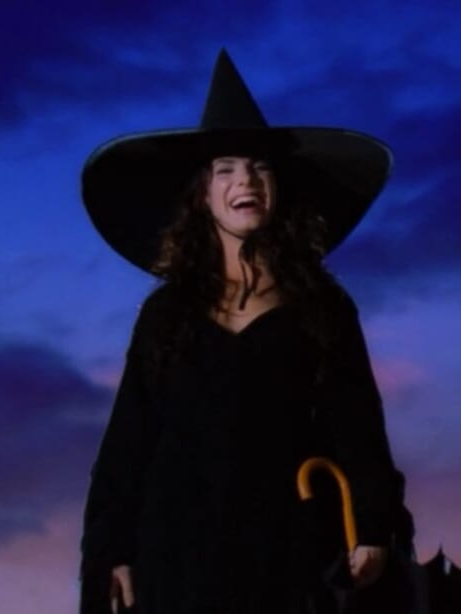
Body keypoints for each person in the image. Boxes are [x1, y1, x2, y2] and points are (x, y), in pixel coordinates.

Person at [78, 50, 408, 613]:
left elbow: (358, 425)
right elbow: (127, 444)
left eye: (260, 167)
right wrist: (113, 551)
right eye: (225, 169)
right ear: (203, 195)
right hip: (174, 555)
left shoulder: (323, 308)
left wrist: (373, 523)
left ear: (279, 187)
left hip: (288, 552)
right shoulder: (167, 314)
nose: (245, 180)